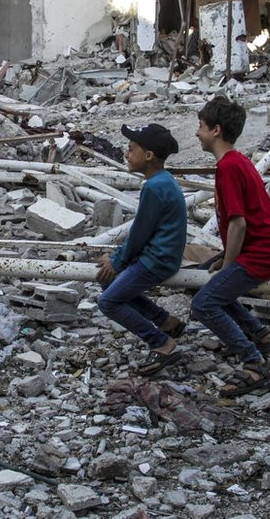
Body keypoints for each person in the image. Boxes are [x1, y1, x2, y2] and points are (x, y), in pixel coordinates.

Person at [192, 96, 270, 396]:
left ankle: (253, 361)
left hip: (257, 253)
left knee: (204, 303)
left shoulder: (228, 167)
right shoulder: (238, 160)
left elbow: (238, 223)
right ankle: (257, 333)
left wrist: (229, 264)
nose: (197, 133)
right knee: (205, 281)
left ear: (216, 130)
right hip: (261, 247)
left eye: (201, 127)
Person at [96, 123, 188, 376]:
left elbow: (139, 233)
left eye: (131, 149)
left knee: (108, 302)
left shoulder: (154, 187)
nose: (127, 154)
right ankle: (166, 321)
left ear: (148, 156)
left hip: (157, 260)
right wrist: (117, 260)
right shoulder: (163, 180)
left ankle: (161, 342)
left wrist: (117, 261)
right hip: (160, 255)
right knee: (109, 283)